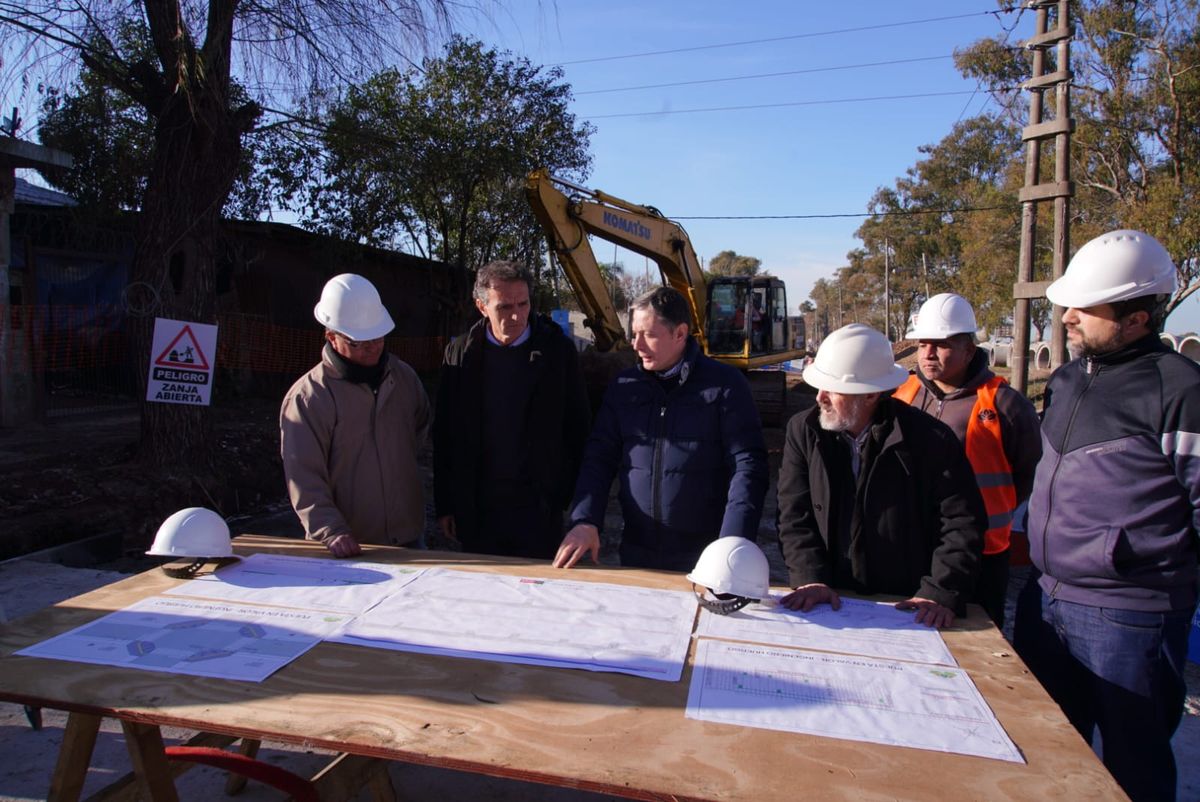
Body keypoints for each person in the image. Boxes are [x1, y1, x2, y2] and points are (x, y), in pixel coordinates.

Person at [1013, 230, 1199, 802]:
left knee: (1132, 765)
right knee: (1046, 753)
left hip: (1129, 618)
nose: (1066, 316)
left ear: (1137, 317)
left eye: (1084, 307)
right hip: (1045, 599)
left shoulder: (1181, 390)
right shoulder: (1069, 380)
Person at [776, 323, 986, 629]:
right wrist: (809, 578)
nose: (819, 397)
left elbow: (961, 523)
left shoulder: (930, 440)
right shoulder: (804, 430)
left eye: (832, 389)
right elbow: (794, 512)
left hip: (907, 603)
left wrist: (939, 591)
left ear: (871, 395)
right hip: (829, 596)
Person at [554, 286, 768, 572]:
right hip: (636, 553)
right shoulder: (624, 388)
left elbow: (748, 466)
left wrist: (732, 544)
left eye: (649, 335)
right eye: (634, 334)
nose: (636, 345)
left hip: (707, 558)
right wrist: (585, 521)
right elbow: (599, 459)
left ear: (680, 333)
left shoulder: (725, 386)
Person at [893, 293, 1041, 628]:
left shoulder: (1005, 403)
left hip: (982, 553)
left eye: (941, 344)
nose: (928, 353)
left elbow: (1027, 471)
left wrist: (986, 513)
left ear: (969, 349)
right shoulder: (903, 394)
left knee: (975, 640)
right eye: (923, 344)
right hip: (916, 547)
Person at [433, 260, 590, 559]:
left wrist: (566, 498)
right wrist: (447, 504)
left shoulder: (557, 353)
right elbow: (445, 435)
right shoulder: (460, 355)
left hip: (538, 513)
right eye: (504, 307)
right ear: (482, 306)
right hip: (479, 510)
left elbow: (578, 429)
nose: (517, 315)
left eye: (523, 303)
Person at [280, 273, 431, 558]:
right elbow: (303, 477)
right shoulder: (309, 397)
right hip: (346, 547)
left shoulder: (404, 380)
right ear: (331, 336)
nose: (372, 347)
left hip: (410, 539)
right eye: (359, 342)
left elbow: (418, 433)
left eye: (377, 337)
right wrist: (331, 530)